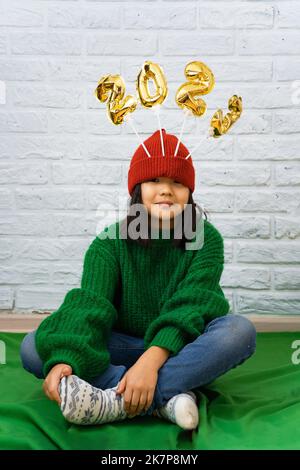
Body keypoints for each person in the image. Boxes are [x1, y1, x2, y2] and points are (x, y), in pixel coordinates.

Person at [20, 129, 256, 431]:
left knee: (238, 331)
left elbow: (193, 305)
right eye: (154, 180)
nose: (166, 190)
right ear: (137, 189)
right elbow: (89, 306)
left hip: (179, 348)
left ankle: (112, 400)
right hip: (121, 344)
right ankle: (165, 399)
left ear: (189, 193)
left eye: (178, 182)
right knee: (33, 346)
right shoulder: (109, 243)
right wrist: (66, 358)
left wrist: (151, 362)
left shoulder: (205, 238)